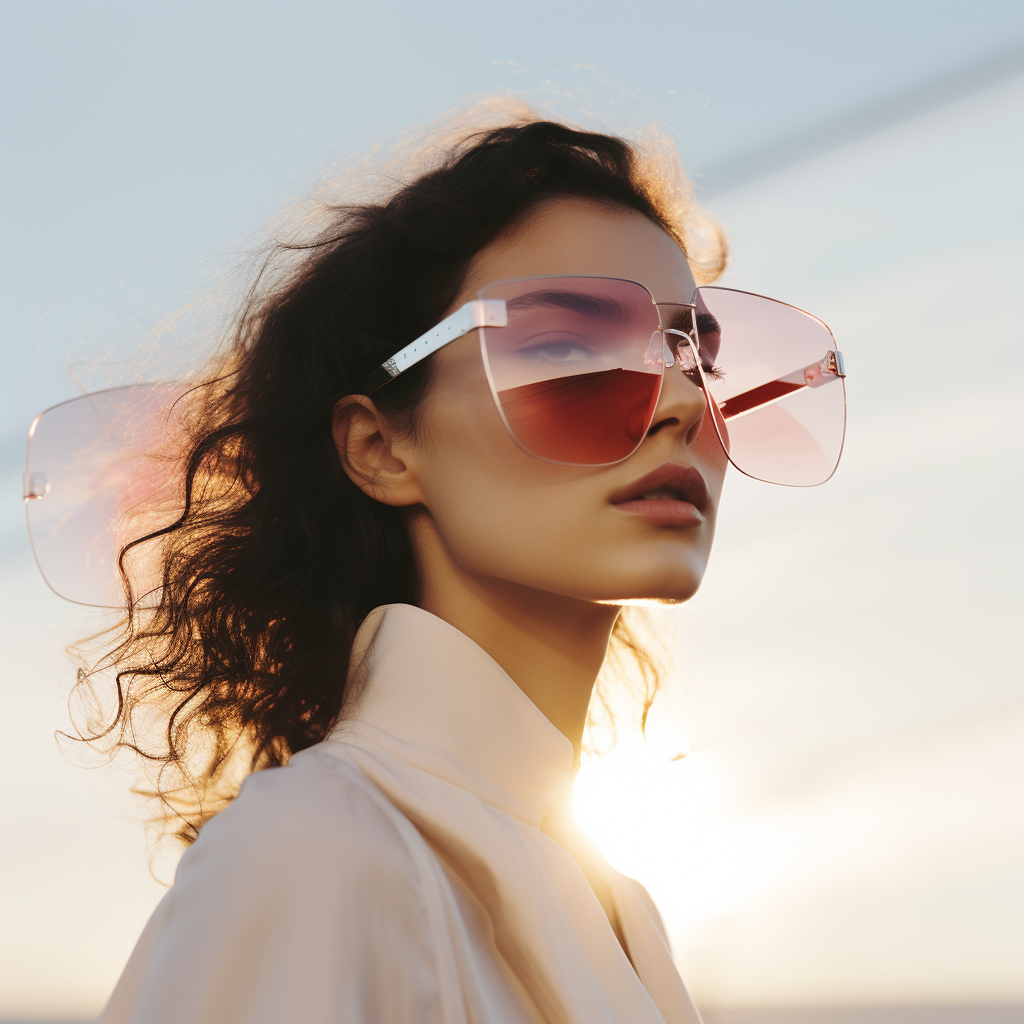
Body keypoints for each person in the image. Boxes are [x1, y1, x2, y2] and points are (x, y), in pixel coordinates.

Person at [25, 111, 846, 1023]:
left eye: (699, 353)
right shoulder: (322, 847)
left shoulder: (619, 914)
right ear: (380, 446)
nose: (685, 401)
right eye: (570, 347)